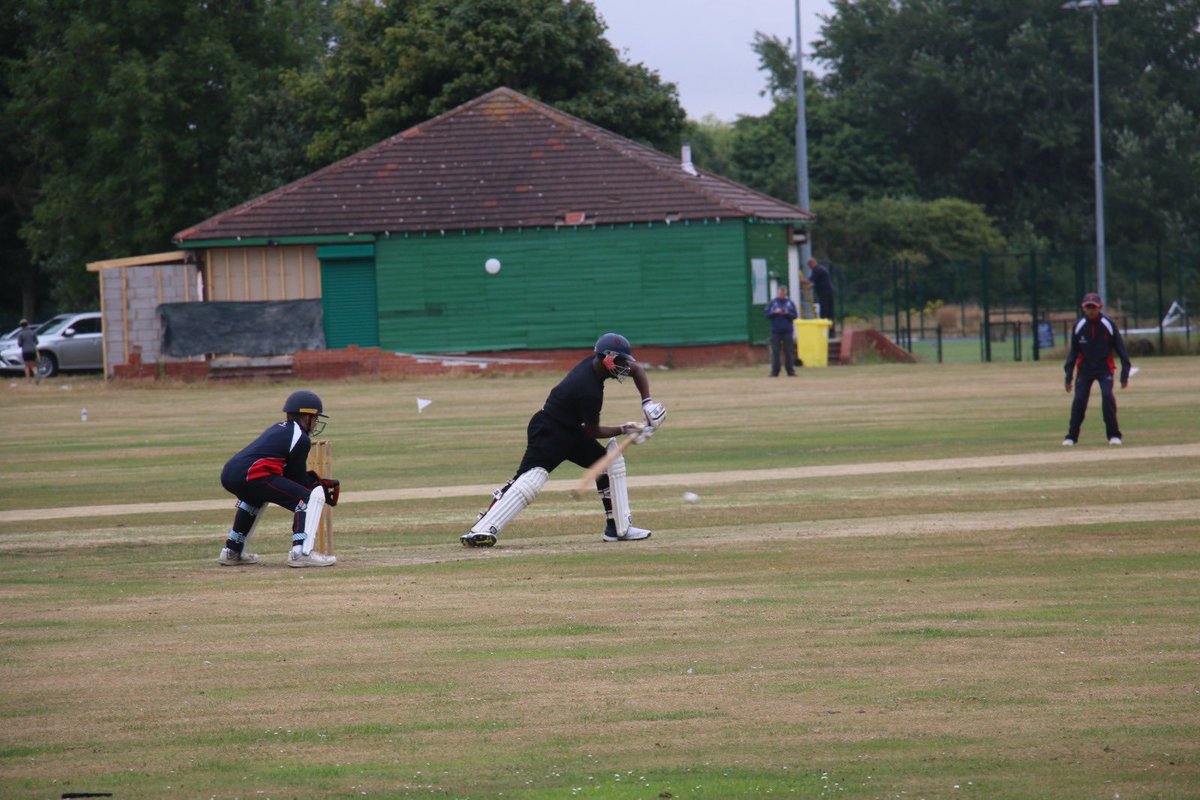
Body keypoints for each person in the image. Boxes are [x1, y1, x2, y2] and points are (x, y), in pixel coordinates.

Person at [461, 333, 667, 547]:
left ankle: (618, 528)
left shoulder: (596, 363)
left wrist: (647, 403)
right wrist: (626, 428)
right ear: (608, 358)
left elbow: (637, 369)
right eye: (621, 361)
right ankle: (482, 528)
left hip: (572, 431)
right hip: (550, 432)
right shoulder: (589, 391)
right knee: (531, 479)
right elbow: (593, 431)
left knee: (610, 464)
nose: (625, 366)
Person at [217, 390, 340, 567]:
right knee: (308, 498)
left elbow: (285, 473)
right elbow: (296, 477)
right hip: (254, 475)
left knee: (254, 499)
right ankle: (301, 553)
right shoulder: (300, 438)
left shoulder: (279, 428)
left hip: (231, 473)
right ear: (306, 417)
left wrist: (309, 480)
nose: (315, 423)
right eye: (315, 418)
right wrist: (315, 484)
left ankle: (232, 551)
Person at [1063, 292, 1132, 447]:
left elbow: (1121, 351)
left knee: (1107, 396)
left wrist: (1124, 375)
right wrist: (1068, 377)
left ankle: (1114, 435)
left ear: (1100, 307)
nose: (1091, 310)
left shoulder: (1108, 325)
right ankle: (1071, 437)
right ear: (1083, 308)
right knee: (1079, 400)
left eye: (1094, 307)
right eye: (1088, 307)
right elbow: (1073, 354)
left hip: (1104, 369)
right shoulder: (1079, 326)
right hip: (1085, 370)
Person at [764, 285, 798, 376]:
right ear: (778, 293)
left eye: (783, 293)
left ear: (785, 293)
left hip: (787, 331)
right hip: (776, 331)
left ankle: (790, 370)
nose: (782, 294)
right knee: (775, 351)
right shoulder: (773, 303)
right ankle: (775, 371)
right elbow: (766, 315)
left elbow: (795, 315)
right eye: (780, 293)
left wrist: (787, 313)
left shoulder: (790, 303)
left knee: (788, 351)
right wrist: (774, 312)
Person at [805, 258, 835, 328]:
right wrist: (810, 286)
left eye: (809, 266)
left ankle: (824, 327)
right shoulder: (820, 269)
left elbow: (810, 280)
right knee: (829, 310)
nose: (810, 268)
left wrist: (798, 280)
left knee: (825, 310)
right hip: (827, 292)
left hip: (825, 293)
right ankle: (830, 329)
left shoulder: (817, 269)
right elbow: (816, 281)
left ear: (812, 263)